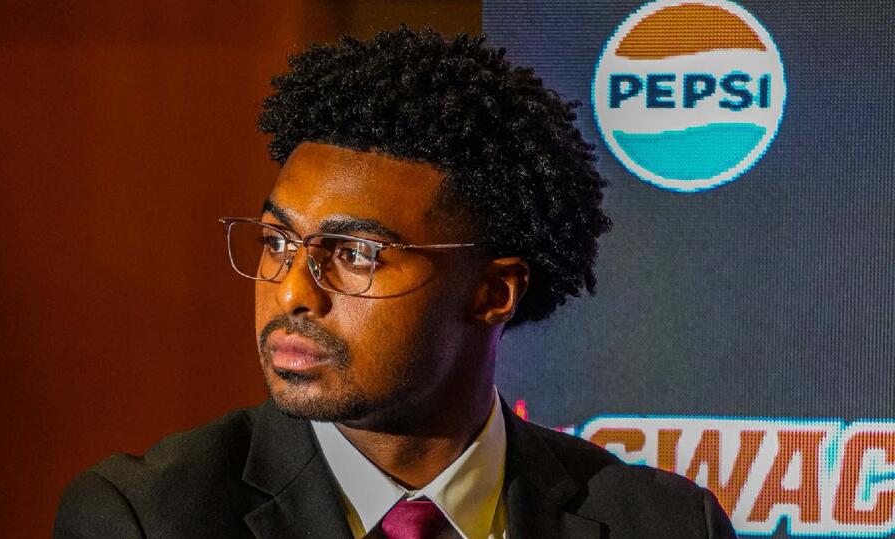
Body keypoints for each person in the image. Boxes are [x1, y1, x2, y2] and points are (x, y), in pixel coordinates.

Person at [54, 27, 735, 538]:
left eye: (355, 254)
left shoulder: (666, 524)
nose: (293, 292)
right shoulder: (147, 517)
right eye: (277, 243)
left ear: (494, 293)